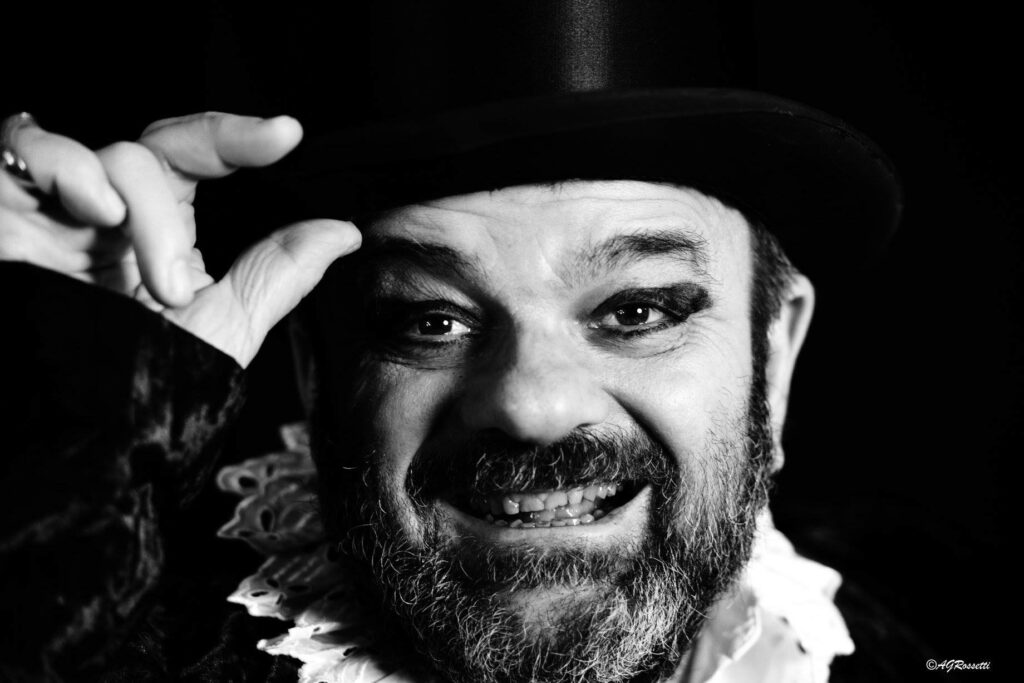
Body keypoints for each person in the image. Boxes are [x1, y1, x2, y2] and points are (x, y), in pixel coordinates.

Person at [2, 3, 958, 682]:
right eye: (434, 320)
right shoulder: (102, 632)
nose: (531, 405)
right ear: (316, 374)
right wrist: (68, 419)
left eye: (636, 312)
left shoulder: (938, 626)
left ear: (774, 358)